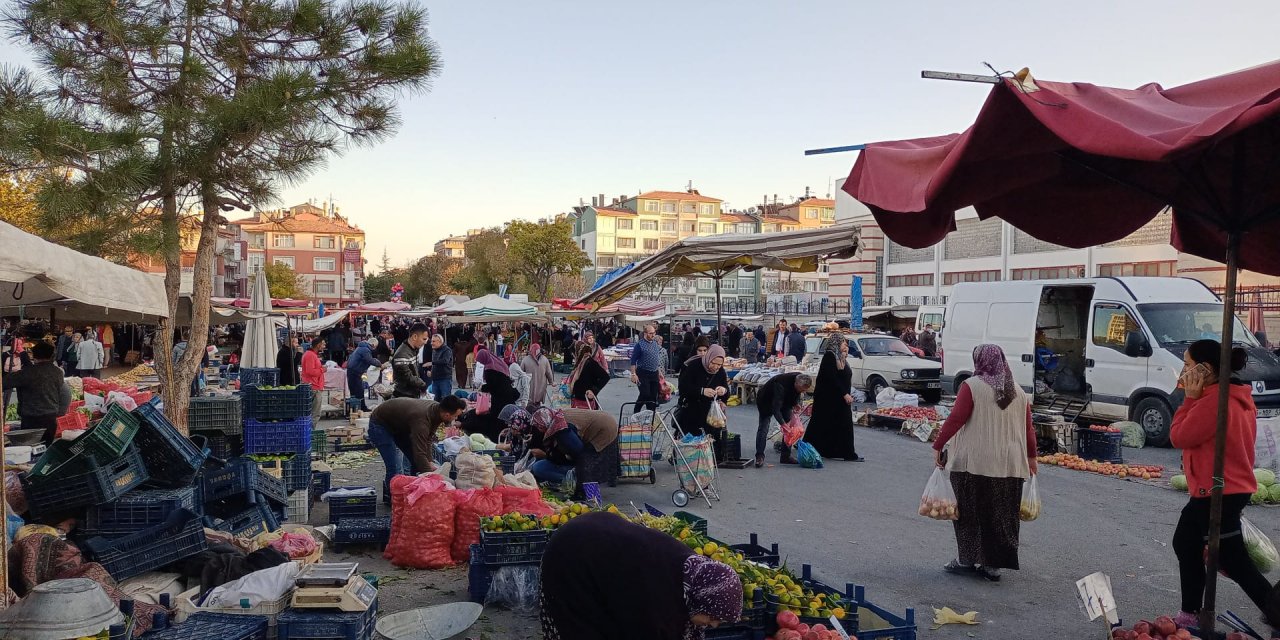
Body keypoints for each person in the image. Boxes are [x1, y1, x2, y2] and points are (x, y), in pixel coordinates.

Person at [1168, 340, 1280, 627]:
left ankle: (1192, 614)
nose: (1183, 370)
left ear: (1206, 370)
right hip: (1228, 487)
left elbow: (1179, 437)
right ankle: (1192, 612)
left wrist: (1189, 399)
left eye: (1188, 364)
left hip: (1218, 489)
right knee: (1204, 548)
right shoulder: (1236, 397)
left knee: (1216, 553)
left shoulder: (1213, 403)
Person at [540, 511, 742, 639]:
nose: (713, 624)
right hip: (571, 557)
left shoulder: (691, 576)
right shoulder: (655, 597)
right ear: (700, 598)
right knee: (581, 628)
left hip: (601, 550)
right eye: (713, 616)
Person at [931, 344, 1036, 582]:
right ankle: (993, 565)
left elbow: (957, 418)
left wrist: (938, 445)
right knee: (1001, 515)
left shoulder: (972, 386)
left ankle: (967, 560)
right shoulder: (1017, 391)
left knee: (969, 513)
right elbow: (1029, 429)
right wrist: (1031, 458)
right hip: (1010, 465)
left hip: (975, 463)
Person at [368, 395, 466, 503]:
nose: (455, 419)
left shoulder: (437, 411)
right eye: (455, 416)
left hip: (400, 425)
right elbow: (419, 451)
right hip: (380, 425)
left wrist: (429, 461)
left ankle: (414, 492)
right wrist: (430, 477)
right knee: (395, 468)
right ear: (447, 414)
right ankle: (393, 499)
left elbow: (428, 440)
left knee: (417, 463)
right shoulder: (422, 420)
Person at [804, 339, 863, 461]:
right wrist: (844, 394)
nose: (846, 346)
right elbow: (832, 378)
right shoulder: (830, 356)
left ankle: (826, 450)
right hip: (830, 398)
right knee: (842, 424)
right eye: (843, 343)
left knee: (829, 424)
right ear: (835, 343)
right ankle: (848, 454)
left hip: (836, 398)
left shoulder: (838, 356)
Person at [2, 342, 71, 444]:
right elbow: (65, 394)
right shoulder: (58, 372)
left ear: (34, 355)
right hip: (50, 418)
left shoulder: (27, 373)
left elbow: (4, 383)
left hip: (31, 419)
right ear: (52, 355)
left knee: (30, 448)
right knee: (45, 447)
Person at [677, 344, 730, 461]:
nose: (715, 367)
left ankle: (707, 465)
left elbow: (726, 391)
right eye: (713, 363)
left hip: (710, 414)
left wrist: (723, 391)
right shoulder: (694, 366)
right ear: (709, 358)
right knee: (693, 444)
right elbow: (683, 388)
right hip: (692, 411)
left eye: (719, 364)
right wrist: (702, 391)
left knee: (710, 442)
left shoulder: (720, 371)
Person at [754, 372, 812, 468]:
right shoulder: (780, 384)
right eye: (800, 389)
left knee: (790, 428)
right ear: (796, 383)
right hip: (766, 401)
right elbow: (776, 409)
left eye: (803, 391)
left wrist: (795, 403)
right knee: (764, 427)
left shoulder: (800, 378)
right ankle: (759, 456)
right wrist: (783, 424)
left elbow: (796, 393)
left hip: (785, 401)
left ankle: (785, 456)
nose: (801, 392)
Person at [460, 349, 519, 441]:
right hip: (508, 396)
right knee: (505, 418)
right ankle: (506, 437)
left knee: (497, 418)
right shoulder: (499, 364)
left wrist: (483, 388)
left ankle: (497, 440)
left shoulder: (490, 369)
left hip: (500, 399)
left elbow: (493, 386)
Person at [629, 324, 664, 412]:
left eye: (654, 333)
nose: (653, 335)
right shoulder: (639, 345)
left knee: (653, 396)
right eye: (650, 333)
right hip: (642, 373)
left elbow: (656, 359)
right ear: (645, 333)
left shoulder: (655, 344)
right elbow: (633, 361)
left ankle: (650, 415)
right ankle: (636, 411)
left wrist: (659, 372)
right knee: (645, 393)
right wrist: (633, 374)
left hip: (654, 373)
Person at [569, 342, 610, 409]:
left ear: (578, 352)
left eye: (574, 354)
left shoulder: (590, 363)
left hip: (586, 400)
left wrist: (593, 390)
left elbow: (605, 377)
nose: (574, 356)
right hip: (579, 398)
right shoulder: (580, 363)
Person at [392, 323, 428, 398]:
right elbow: (408, 377)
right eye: (424, 339)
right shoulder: (401, 355)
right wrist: (423, 385)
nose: (425, 342)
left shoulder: (414, 349)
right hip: (404, 396)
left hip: (412, 394)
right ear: (415, 336)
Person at [345, 339, 381, 412]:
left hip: (352, 371)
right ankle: (361, 408)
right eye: (375, 347)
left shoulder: (361, 347)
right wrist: (379, 364)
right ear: (373, 345)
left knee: (354, 391)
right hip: (355, 372)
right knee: (359, 390)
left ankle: (354, 408)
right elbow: (369, 360)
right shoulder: (365, 350)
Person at [301, 337, 327, 423]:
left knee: (313, 413)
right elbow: (310, 371)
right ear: (318, 345)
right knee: (315, 413)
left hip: (314, 386)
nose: (324, 346)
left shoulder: (311, 355)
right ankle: (311, 432)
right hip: (314, 387)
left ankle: (310, 432)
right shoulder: (310, 355)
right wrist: (322, 370)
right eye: (323, 344)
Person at [426, 334, 454, 400]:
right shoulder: (434, 350)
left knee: (445, 400)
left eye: (433, 341)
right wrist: (431, 371)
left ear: (440, 341)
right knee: (435, 400)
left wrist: (431, 363)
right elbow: (434, 364)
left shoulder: (447, 350)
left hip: (444, 379)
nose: (431, 343)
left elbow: (445, 361)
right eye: (431, 341)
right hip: (435, 379)